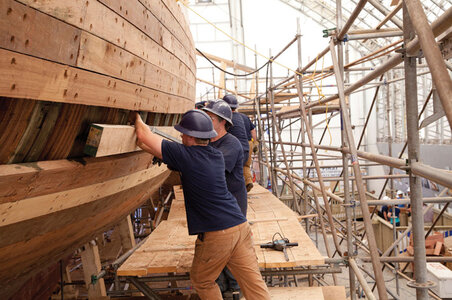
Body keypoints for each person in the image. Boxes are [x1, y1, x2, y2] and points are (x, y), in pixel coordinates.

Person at [134, 110, 270, 300]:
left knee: (202, 280)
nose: (180, 135)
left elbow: (143, 136)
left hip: (218, 232)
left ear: (191, 136)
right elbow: (145, 144)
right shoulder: (215, 155)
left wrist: (136, 117)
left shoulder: (185, 155)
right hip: (240, 226)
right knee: (252, 282)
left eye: (183, 132)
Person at [202, 100, 248, 297]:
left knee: (230, 252)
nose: (205, 121)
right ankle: (221, 288)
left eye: (209, 118)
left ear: (222, 122)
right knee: (216, 251)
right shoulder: (208, 142)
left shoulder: (231, 144)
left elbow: (210, 167)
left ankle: (234, 290)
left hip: (232, 206)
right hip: (215, 206)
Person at [222, 95, 250, 188]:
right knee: (237, 175)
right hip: (245, 150)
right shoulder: (239, 117)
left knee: (229, 179)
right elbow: (253, 132)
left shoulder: (227, 118)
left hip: (236, 152)